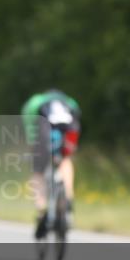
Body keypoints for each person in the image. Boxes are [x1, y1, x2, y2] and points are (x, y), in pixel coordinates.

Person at [21, 89, 81, 239]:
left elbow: (31, 129)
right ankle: (68, 198)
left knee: (38, 171)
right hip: (70, 129)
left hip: (44, 130)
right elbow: (76, 120)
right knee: (65, 160)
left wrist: (32, 150)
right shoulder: (70, 101)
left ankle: (41, 211)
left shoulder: (34, 102)